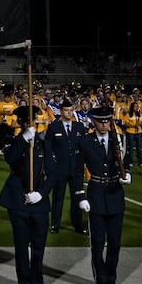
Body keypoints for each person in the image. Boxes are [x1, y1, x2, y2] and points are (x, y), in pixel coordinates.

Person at [0, 105, 61, 284]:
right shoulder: (11, 140)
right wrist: (24, 139)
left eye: (32, 121)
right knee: (22, 243)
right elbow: (11, 158)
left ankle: (37, 281)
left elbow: (54, 173)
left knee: (39, 244)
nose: (29, 124)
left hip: (38, 200)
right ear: (22, 123)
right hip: (18, 199)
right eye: (26, 121)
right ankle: (24, 282)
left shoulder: (45, 145)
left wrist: (41, 193)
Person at [82, 106, 132, 284]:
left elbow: (125, 162)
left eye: (106, 121)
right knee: (97, 242)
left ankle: (111, 279)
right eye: (100, 121)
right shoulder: (85, 142)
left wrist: (128, 174)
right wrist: (80, 194)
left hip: (115, 193)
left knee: (114, 243)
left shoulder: (118, 139)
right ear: (93, 121)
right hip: (96, 192)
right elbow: (79, 169)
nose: (103, 124)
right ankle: (101, 280)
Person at [45, 100, 89, 235]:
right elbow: (48, 148)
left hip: (76, 169)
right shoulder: (53, 127)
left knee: (77, 198)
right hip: (60, 169)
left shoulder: (79, 126)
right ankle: (55, 224)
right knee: (58, 198)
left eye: (71, 110)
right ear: (61, 111)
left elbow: (83, 147)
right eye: (66, 110)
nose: (69, 113)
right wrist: (49, 168)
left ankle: (78, 225)